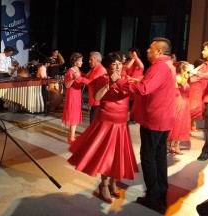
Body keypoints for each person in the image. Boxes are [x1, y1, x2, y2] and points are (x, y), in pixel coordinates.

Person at [111, 37, 176, 213]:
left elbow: (143, 89)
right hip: (165, 117)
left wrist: (120, 81)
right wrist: (134, 81)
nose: (147, 50)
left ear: (159, 52)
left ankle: (153, 197)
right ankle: (161, 192)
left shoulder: (159, 66)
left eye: (150, 48)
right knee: (159, 156)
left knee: (148, 157)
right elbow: (150, 86)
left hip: (154, 118)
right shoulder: (169, 64)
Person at [68, 52, 138, 204]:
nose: (118, 66)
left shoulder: (126, 79)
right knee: (107, 156)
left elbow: (135, 90)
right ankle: (104, 185)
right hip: (107, 121)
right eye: (114, 64)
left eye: (120, 63)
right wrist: (109, 84)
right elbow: (97, 98)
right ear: (108, 66)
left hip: (121, 123)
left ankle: (113, 183)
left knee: (118, 155)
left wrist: (120, 81)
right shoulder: (102, 79)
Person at [62, 52, 90, 143]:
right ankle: (71, 137)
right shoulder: (70, 71)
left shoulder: (78, 70)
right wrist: (73, 78)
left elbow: (84, 77)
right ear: (75, 62)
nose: (82, 62)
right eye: (80, 60)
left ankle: (71, 134)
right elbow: (66, 85)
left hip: (77, 94)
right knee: (73, 114)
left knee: (75, 113)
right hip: (72, 94)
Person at [167, 61, 192, 154]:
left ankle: (176, 146)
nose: (189, 70)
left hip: (185, 103)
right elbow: (183, 84)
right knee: (176, 123)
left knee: (182, 124)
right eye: (187, 68)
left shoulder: (185, 76)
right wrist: (186, 75)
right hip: (179, 102)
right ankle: (169, 144)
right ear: (182, 69)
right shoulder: (178, 77)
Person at [85, 51, 107, 123]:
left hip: (98, 99)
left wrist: (77, 78)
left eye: (91, 59)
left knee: (93, 118)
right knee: (93, 117)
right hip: (94, 98)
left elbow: (90, 82)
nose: (89, 61)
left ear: (97, 60)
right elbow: (86, 77)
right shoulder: (94, 69)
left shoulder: (100, 69)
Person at [124, 47, 144, 125]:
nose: (128, 54)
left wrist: (135, 58)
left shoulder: (138, 62)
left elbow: (142, 66)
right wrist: (133, 58)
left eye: (130, 53)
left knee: (133, 102)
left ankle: (133, 119)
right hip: (129, 83)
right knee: (129, 102)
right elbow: (127, 67)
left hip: (136, 83)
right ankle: (130, 117)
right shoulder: (129, 61)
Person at [189, 58, 206, 132]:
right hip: (194, 91)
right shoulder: (193, 72)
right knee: (193, 108)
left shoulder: (199, 72)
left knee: (196, 108)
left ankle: (193, 125)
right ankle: (191, 125)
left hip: (198, 91)